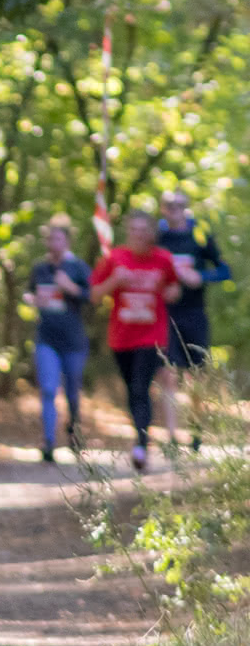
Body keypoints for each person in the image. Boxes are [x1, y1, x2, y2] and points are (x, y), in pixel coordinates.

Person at [89, 211, 181, 471]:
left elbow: (175, 288)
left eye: (144, 229)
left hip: (152, 336)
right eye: (134, 229)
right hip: (121, 337)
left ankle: (141, 444)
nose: (139, 234)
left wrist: (171, 291)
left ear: (152, 233)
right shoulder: (114, 258)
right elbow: (94, 294)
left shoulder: (163, 259)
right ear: (128, 232)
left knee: (141, 387)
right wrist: (114, 281)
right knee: (132, 390)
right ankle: (140, 436)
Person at [157, 191, 233, 452]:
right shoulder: (158, 237)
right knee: (167, 374)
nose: (174, 209)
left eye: (179, 205)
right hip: (165, 315)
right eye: (169, 205)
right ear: (162, 208)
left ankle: (196, 431)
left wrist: (200, 277)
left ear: (186, 207)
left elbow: (225, 270)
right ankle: (171, 437)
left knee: (196, 376)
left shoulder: (199, 235)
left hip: (195, 315)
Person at [20, 216, 91, 462]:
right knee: (49, 389)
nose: (53, 242)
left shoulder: (78, 267)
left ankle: (74, 434)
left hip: (73, 340)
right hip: (46, 338)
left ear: (67, 240)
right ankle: (48, 442)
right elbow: (29, 292)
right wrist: (30, 299)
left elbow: (92, 296)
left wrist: (70, 287)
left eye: (58, 238)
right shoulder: (40, 268)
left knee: (72, 392)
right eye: (50, 238)